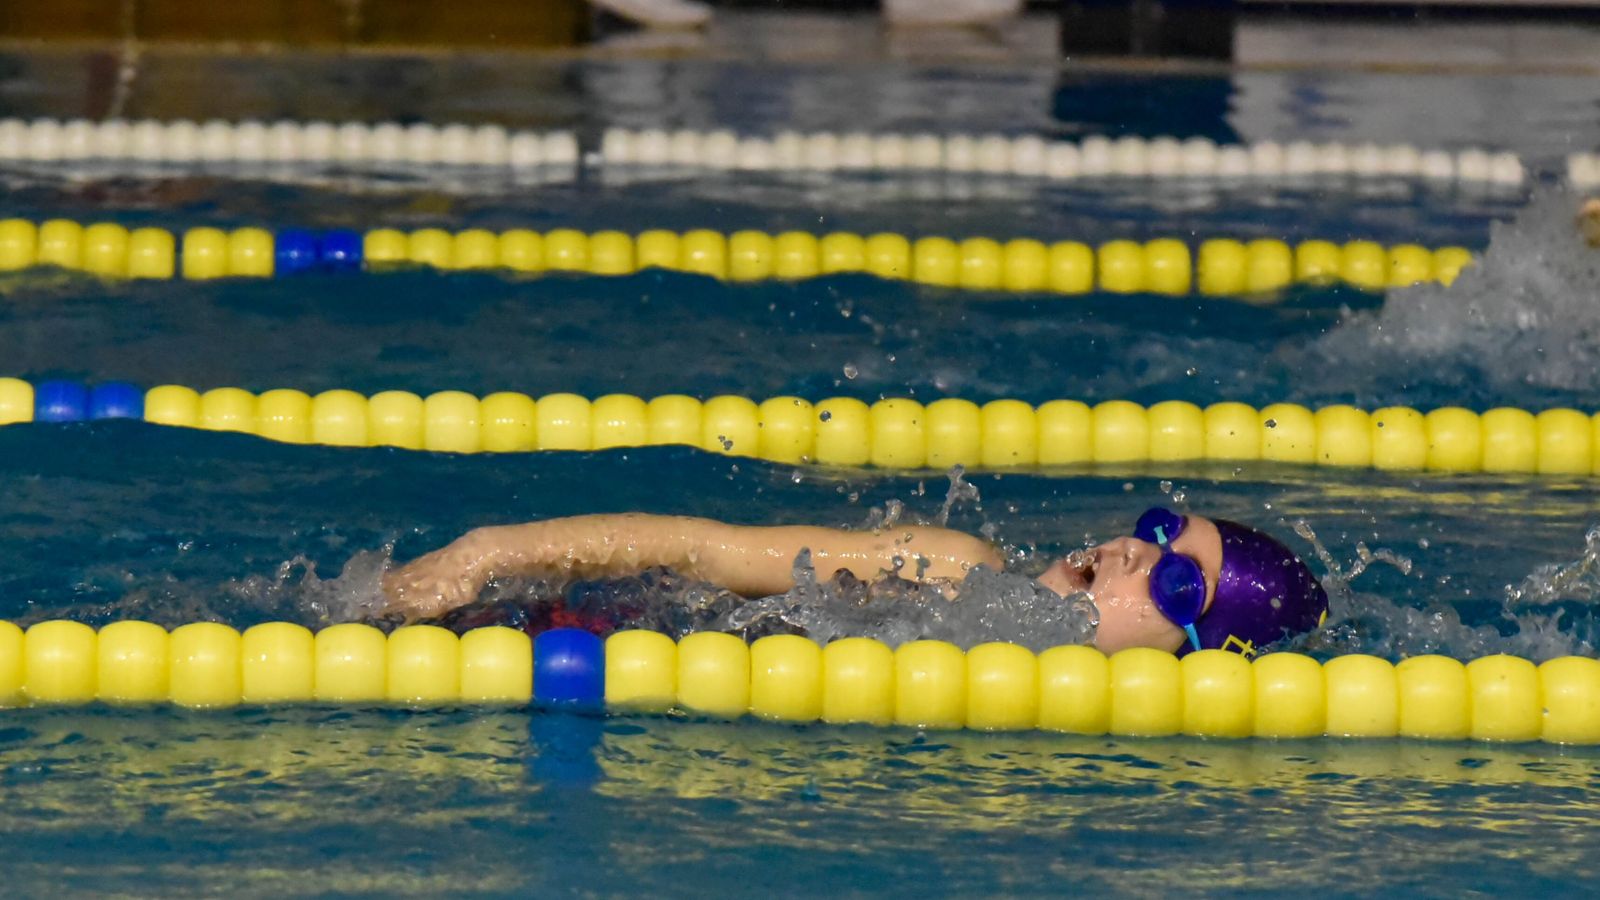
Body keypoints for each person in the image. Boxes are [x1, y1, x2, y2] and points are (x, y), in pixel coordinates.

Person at [383, 506, 1327, 656]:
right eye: (1161, 532)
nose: (1133, 552)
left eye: (1176, 587)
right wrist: (488, 551)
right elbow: (707, 551)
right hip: (591, 630)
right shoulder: (956, 570)